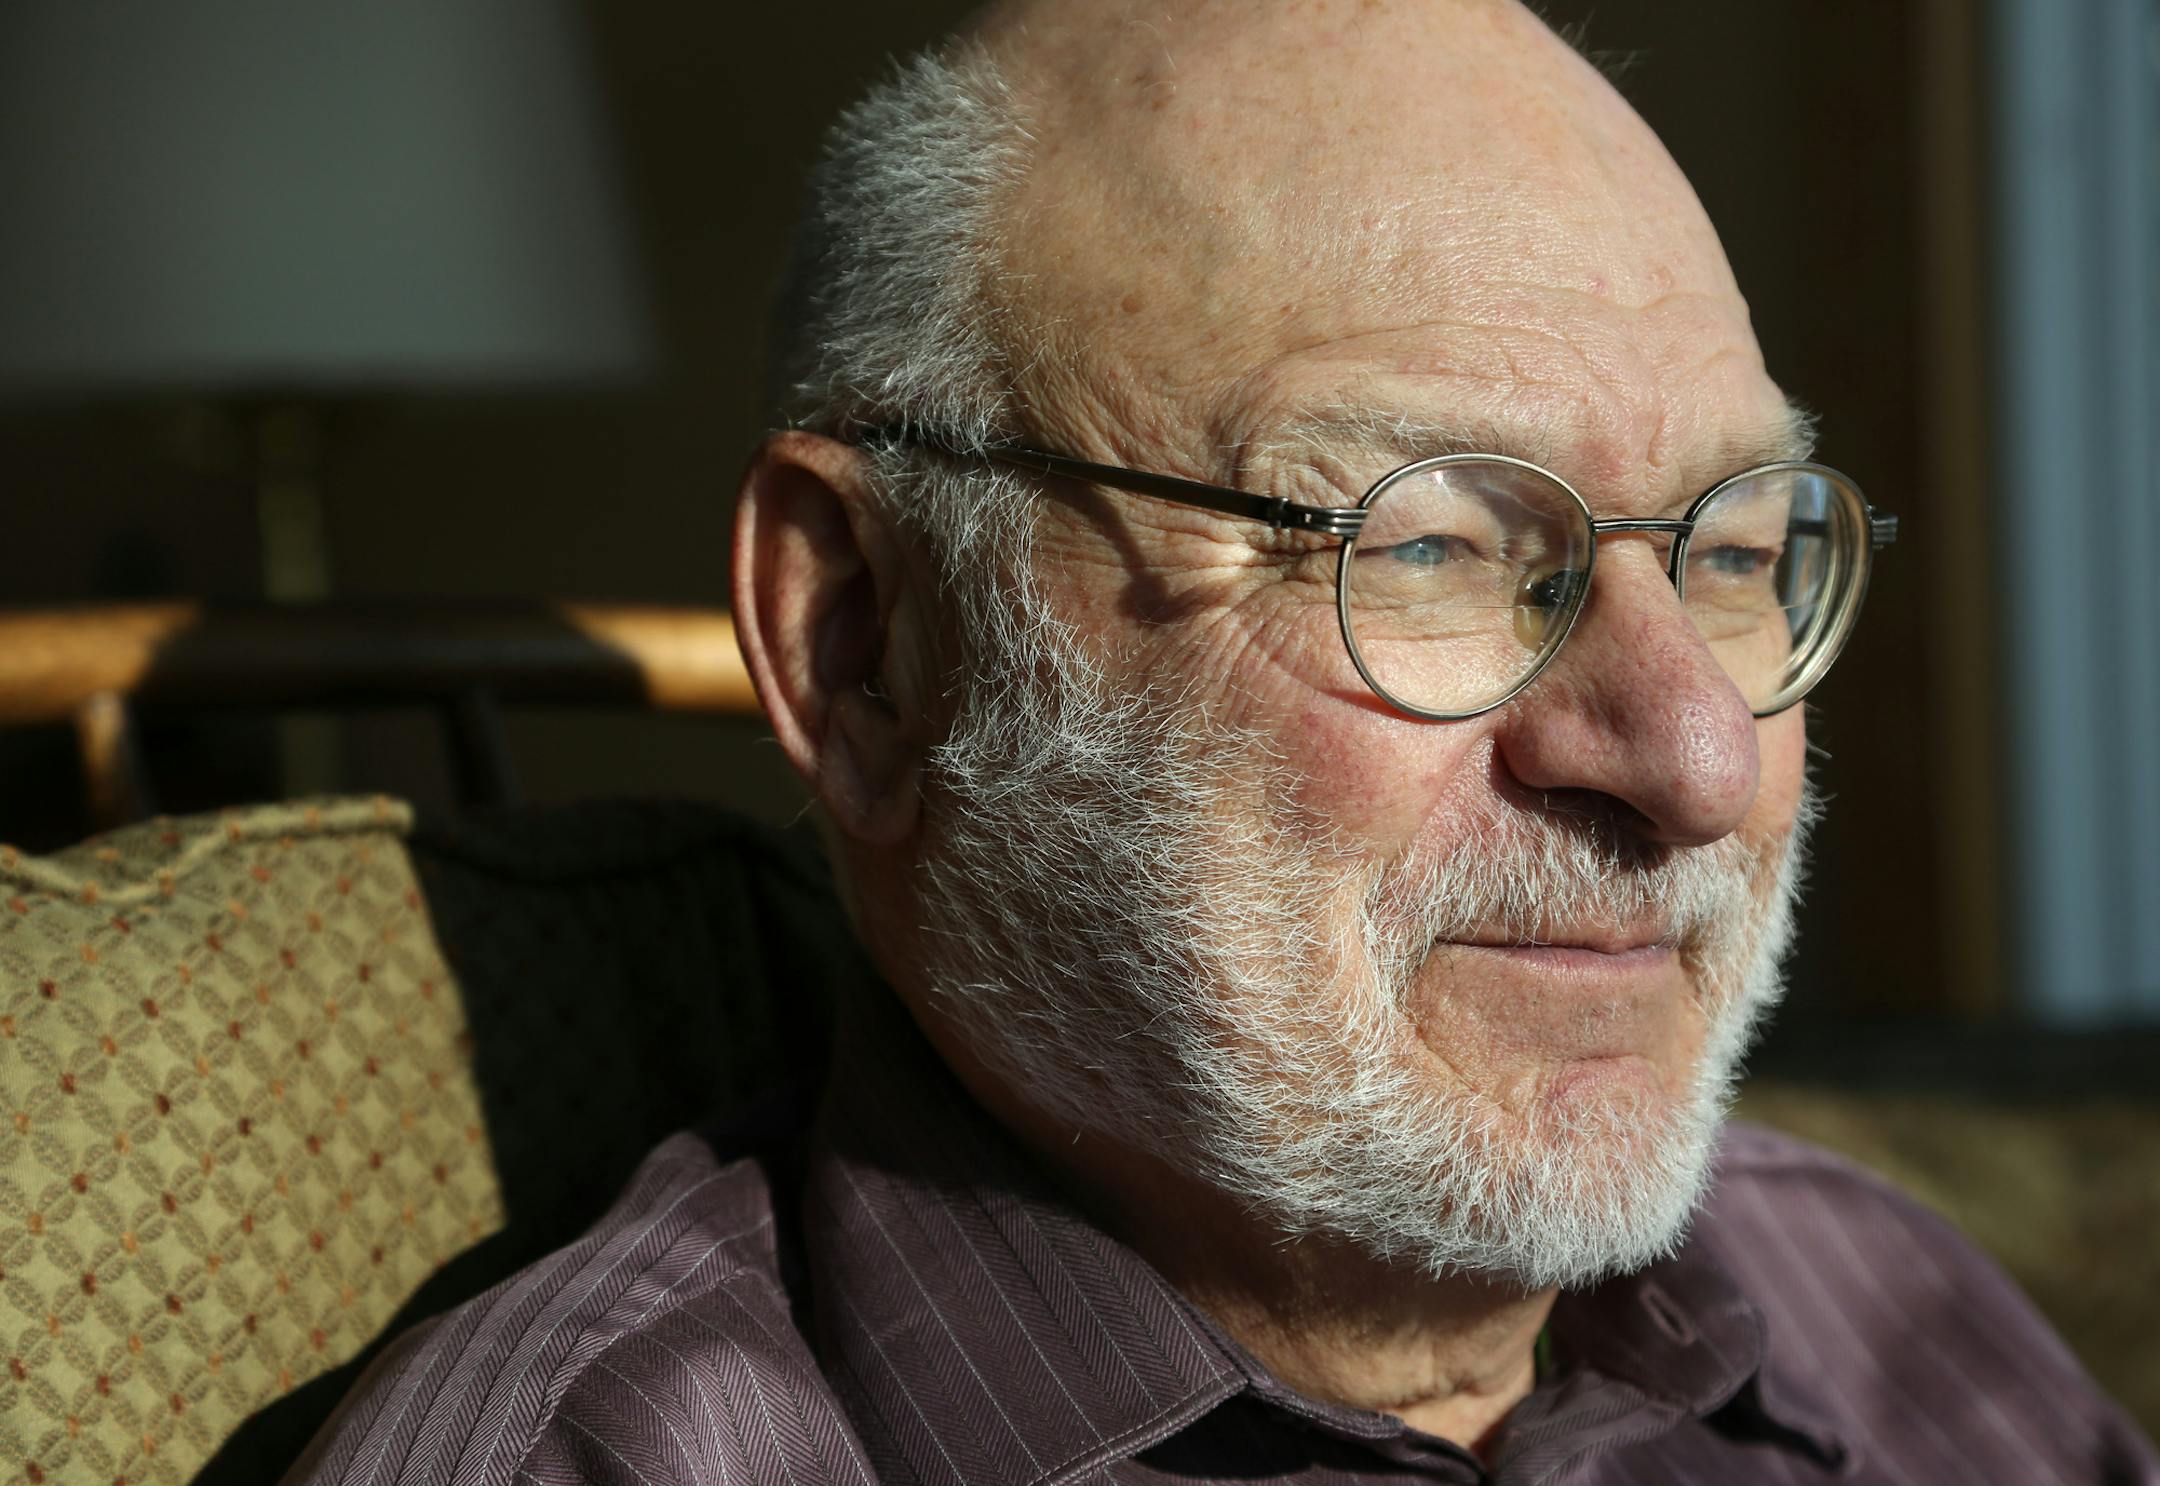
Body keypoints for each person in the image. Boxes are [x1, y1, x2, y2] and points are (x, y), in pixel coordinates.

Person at [288, 1, 2159, 1481]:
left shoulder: (1884, 1303)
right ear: (868, 645)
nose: (1697, 757)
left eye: (1741, 550)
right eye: (1427, 543)